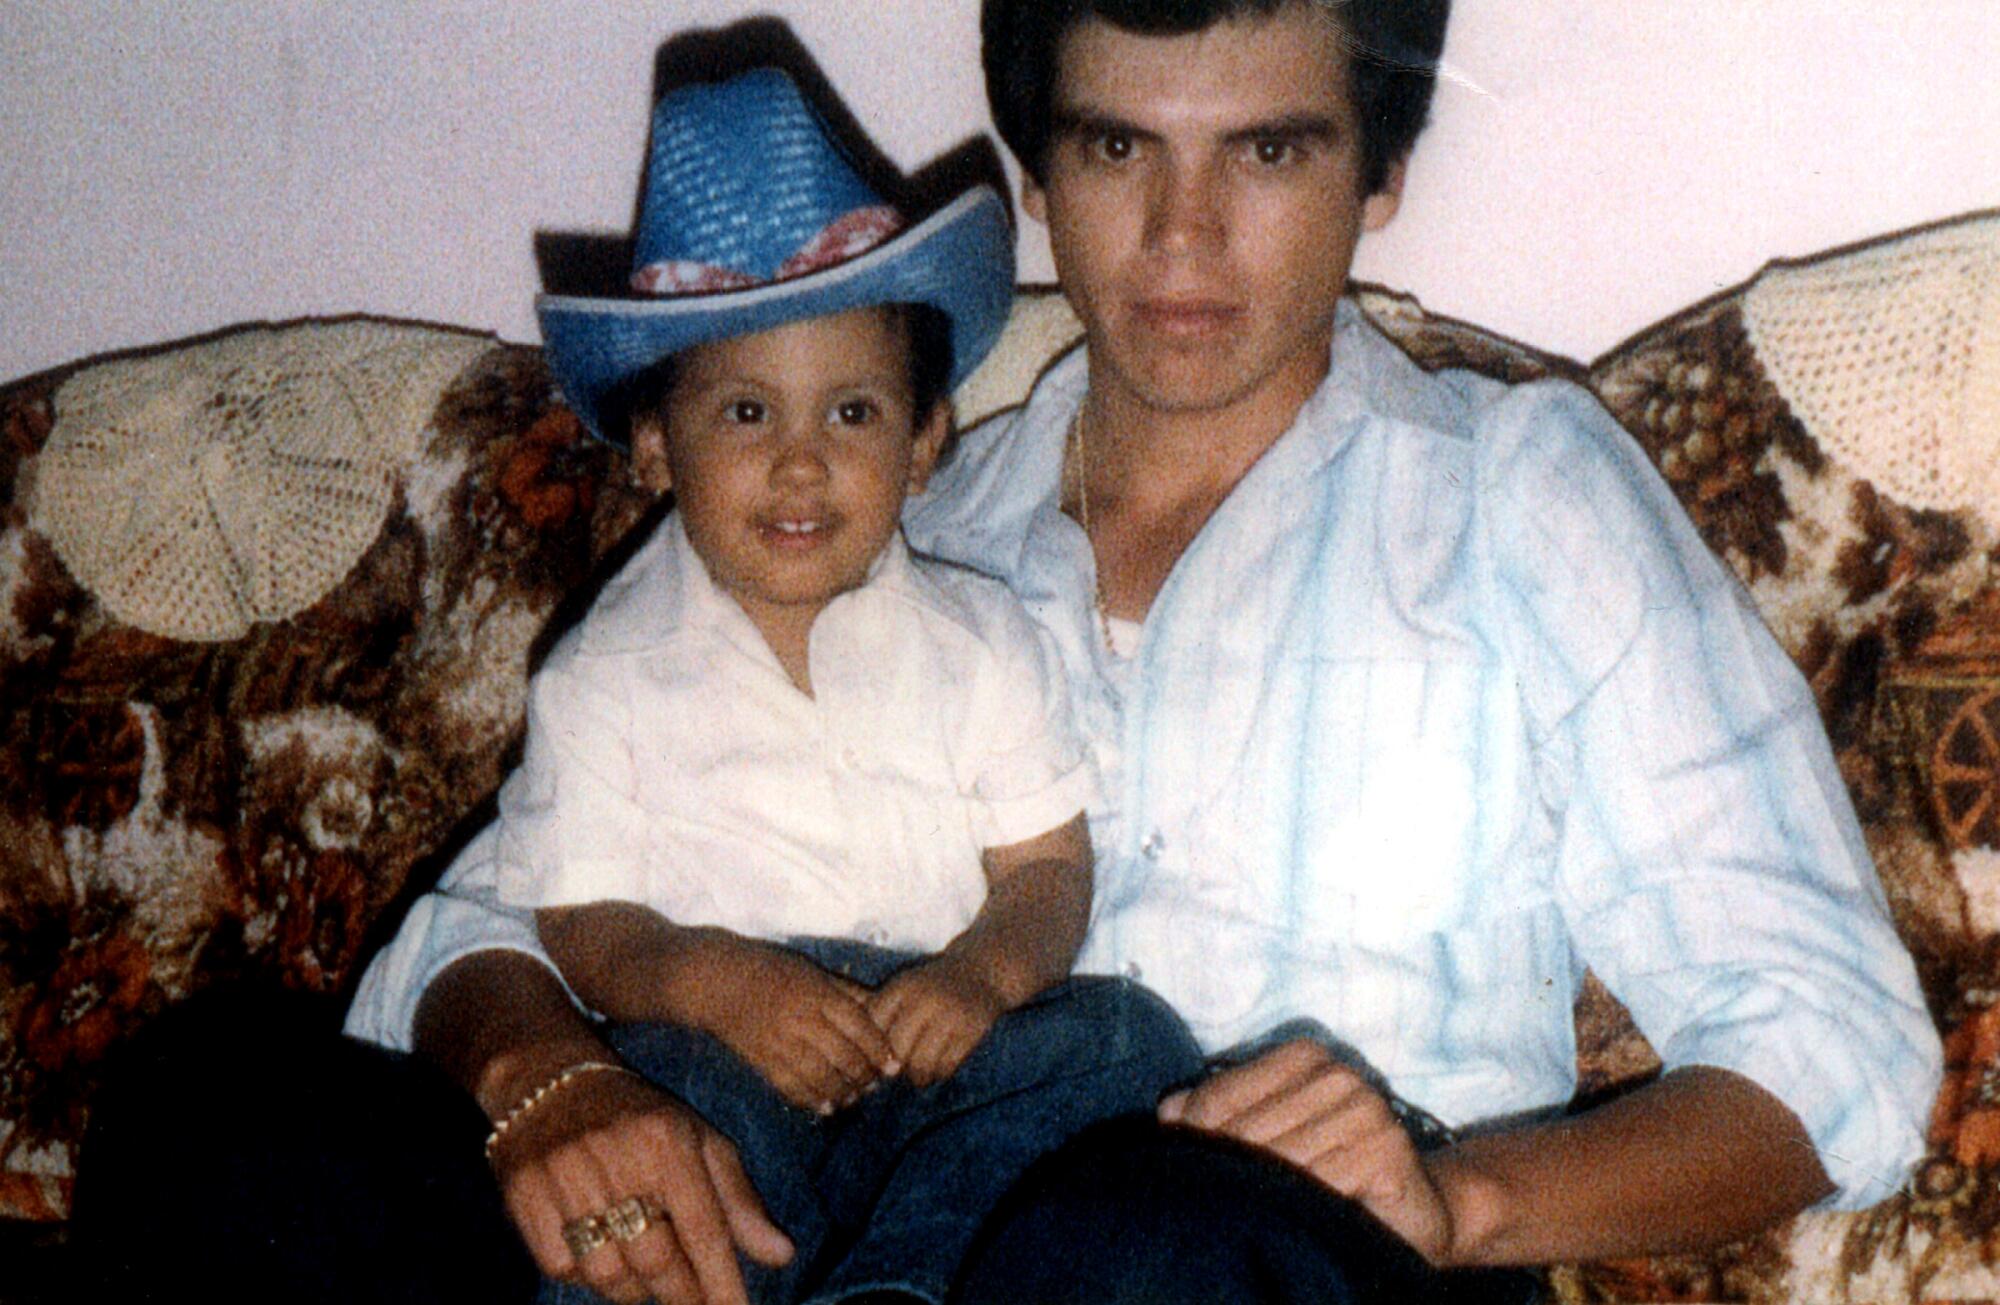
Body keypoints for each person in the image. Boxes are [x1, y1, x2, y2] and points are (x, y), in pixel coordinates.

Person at [938, 0, 1942, 1298]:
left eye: (1269, 153)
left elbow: (1837, 1046)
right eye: (1118, 150)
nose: (1182, 233)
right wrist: (574, 1080)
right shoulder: (906, 546)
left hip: (1351, 1270)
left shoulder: (1514, 501)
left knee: (1132, 1230)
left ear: (1380, 174)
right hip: (930, 1251)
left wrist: (1457, 1198)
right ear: (1036, 173)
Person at [483, 63, 1193, 1305]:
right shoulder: (600, 681)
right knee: (669, 1121)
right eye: (747, 413)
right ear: (656, 448)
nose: (802, 465)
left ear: (923, 445)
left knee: (1124, 1043)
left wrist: (982, 975)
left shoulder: (984, 642)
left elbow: (1045, 871)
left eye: (853, 414)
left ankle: (897, 1289)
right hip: (726, 1042)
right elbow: (579, 919)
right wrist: (713, 982)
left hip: (940, 1047)